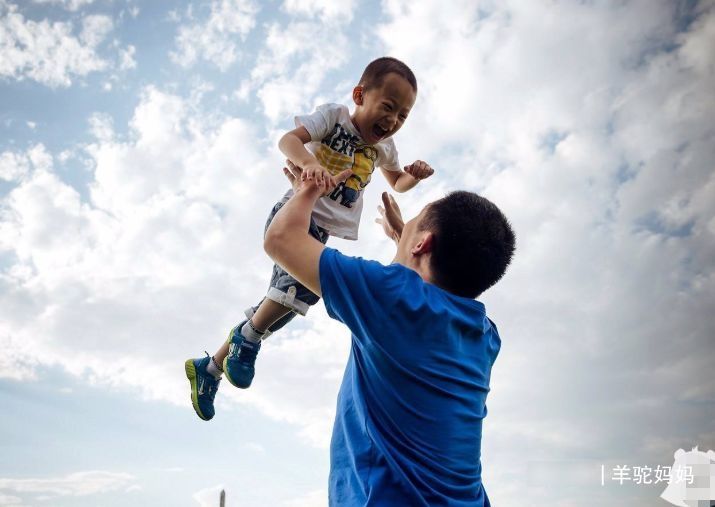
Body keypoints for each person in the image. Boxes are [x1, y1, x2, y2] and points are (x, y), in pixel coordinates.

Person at [185, 57, 434, 421]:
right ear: (360, 95)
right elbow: (288, 140)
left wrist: (414, 176)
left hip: (321, 230)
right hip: (296, 214)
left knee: (288, 307)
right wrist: (308, 163)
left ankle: (210, 368)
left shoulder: (385, 149)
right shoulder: (334, 118)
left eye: (403, 116)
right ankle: (247, 339)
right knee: (300, 294)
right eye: (388, 107)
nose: (393, 120)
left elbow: (397, 182)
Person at [263, 161, 515, 506]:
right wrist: (406, 240)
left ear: (423, 244)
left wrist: (307, 191)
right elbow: (420, 299)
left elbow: (281, 239)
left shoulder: (391, 296)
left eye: (415, 222)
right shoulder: (485, 336)